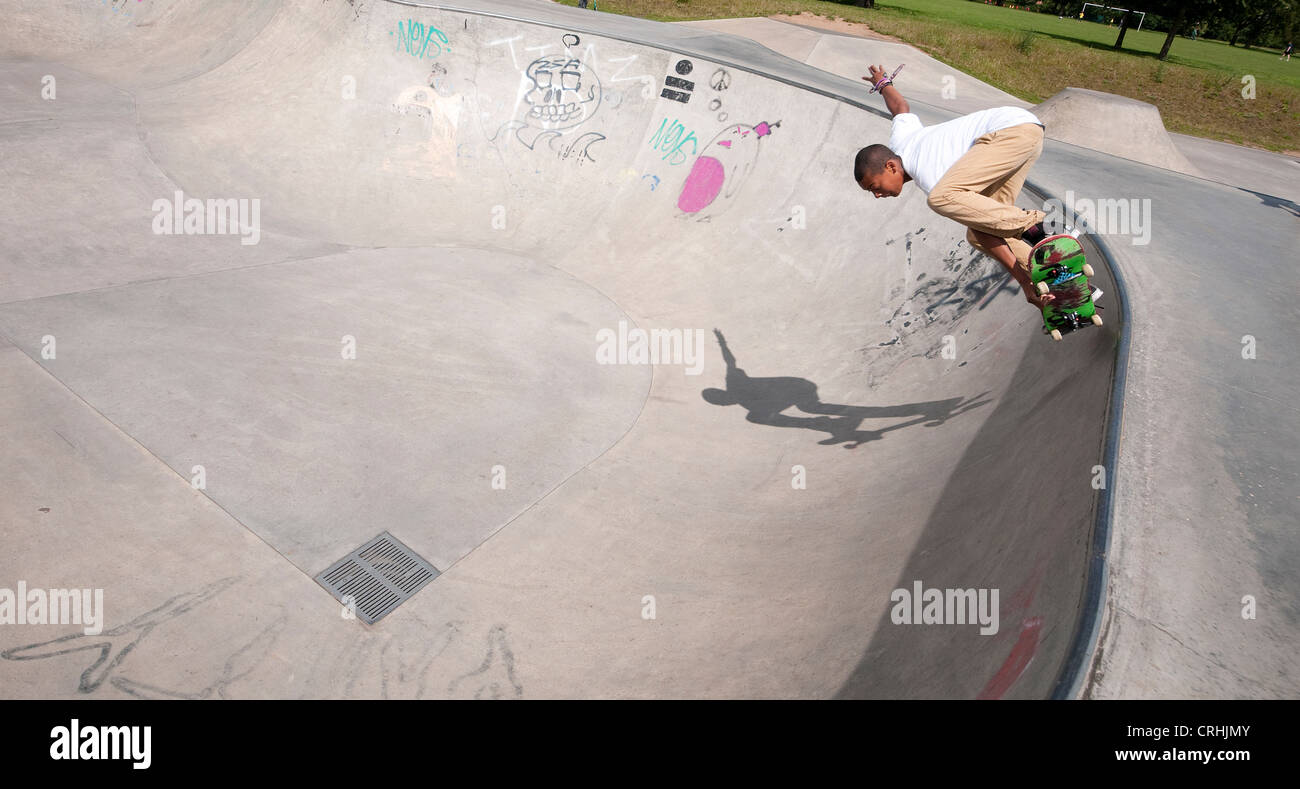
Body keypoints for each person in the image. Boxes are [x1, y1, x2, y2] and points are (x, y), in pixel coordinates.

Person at [854, 64, 1064, 312]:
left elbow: (944, 196)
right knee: (980, 232)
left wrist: (1022, 279)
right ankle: (1055, 276)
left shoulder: (931, 177)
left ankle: (1040, 227)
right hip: (1025, 134)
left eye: (874, 187)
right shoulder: (901, 140)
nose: (878, 195)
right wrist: (883, 84)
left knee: (940, 198)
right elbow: (899, 107)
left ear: (890, 167)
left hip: (1006, 133)